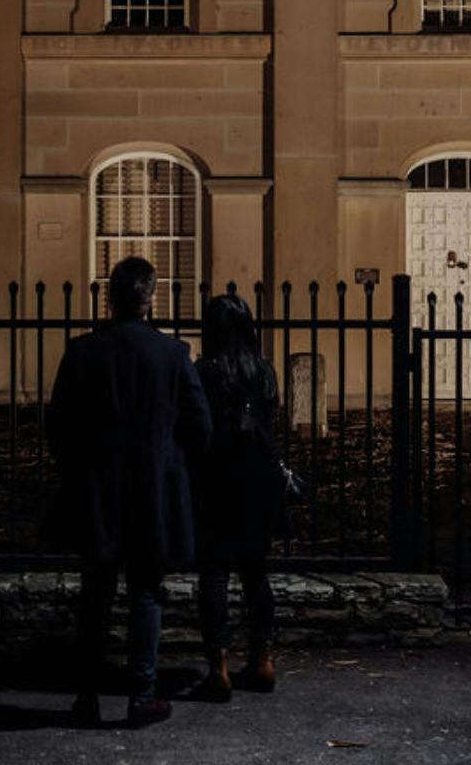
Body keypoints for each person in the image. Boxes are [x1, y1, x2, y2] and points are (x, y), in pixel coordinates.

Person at [47, 257, 211, 729]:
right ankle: (141, 693)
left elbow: (58, 426)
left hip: (97, 490)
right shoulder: (173, 355)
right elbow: (200, 426)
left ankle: (87, 696)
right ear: (151, 299)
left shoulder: (81, 353)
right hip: (152, 491)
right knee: (145, 593)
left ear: (109, 298)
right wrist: (172, 460)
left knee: (94, 597)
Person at [187, 294, 282, 701]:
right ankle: (262, 659)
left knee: (214, 574)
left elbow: (192, 424)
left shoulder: (203, 371)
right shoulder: (263, 372)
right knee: (255, 571)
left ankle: (218, 667)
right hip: (257, 479)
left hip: (215, 478)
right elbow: (270, 419)